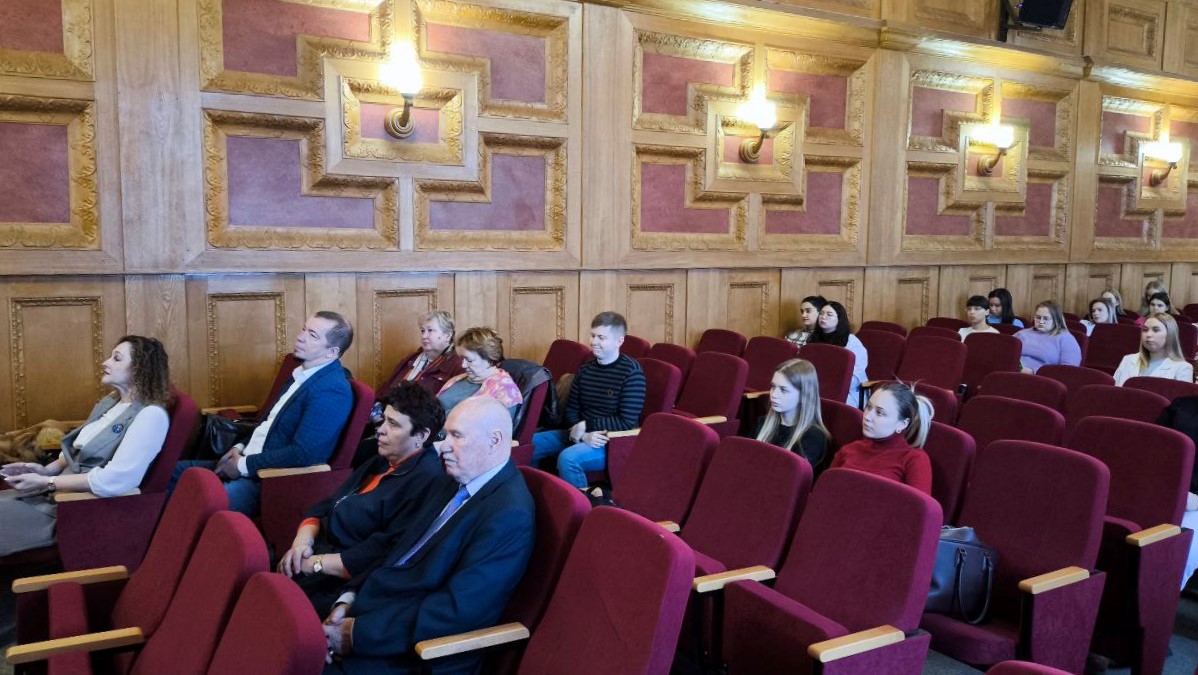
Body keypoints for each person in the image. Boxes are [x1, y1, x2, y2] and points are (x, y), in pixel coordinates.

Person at [321, 397, 534, 674]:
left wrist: (358, 634)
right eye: (446, 435)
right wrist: (349, 598)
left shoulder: (510, 514)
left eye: (457, 436)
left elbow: (457, 611)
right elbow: (397, 547)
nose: (442, 446)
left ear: (494, 441)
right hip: (376, 606)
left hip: (415, 651)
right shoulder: (453, 478)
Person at [278, 382, 447, 615]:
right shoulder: (383, 459)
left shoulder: (426, 480)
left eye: (393, 424)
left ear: (421, 435)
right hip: (314, 557)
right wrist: (302, 543)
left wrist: (314, 563)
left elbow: (379, 552)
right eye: (384, 419)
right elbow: (328, 504)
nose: (381, 430)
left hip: (342, 583)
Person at [0, 336, 171, 556]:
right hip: (53, 493)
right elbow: (79, 449)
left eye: (116, 358)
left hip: (76, 509)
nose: (105, 362)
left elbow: (115, 480)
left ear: (139, 369)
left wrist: (47, 481)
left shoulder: (151, 416)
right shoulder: (111, 402)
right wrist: (46, 470)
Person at [171, 311, 355, 515]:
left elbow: (303, 454)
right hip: (245, 459)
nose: (300, 337)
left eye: (312, 335)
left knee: (195, 505)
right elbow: (267, 424)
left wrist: (242, 465)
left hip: (268, 481)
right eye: (304, 329)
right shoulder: (301, 373)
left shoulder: (331, 390)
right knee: (168, 475)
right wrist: (238, 447)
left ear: (331, 352)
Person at [531, 312, 646, 490]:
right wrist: (582, 434)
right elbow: (571, 410)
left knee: (568, 459)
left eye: (601, 337)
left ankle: (581, 504)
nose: (593, 342)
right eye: (592, 335)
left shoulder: (631, 373)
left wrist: (586, 426)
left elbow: (626, 421)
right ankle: (535, 496)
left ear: (619, 341)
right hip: (580, 432)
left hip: (612, 441)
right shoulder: (585, 370)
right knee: (530, 444)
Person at [829, 381, 933, 495]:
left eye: (879, 413)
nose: (867, 416)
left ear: (902, 424)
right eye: (869, 407)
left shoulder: (914, 459)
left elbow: (917, 505)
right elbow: (825, 491)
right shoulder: (849, 449)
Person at [755, 359, 829, 473]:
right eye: (773, 387)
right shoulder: (762, 423)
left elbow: (790, 476)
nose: (774, 395)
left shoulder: (814, 437)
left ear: (803, 395)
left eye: (783, 390)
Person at [436, 327, 522, 419]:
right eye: (462, 359)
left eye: (469, 360)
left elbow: (496, 426)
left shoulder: (505, 393)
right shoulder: (460, 378)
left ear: (490, 359)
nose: (463, 365)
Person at [377, 311, 462, 397]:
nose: (424, 336)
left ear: (448, 335)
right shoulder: (411, 359)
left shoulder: (458, 364)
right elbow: (385, 389)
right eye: (422, 331)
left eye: (430, 330)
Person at [807, 301, 868, 407]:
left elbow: (857, 374)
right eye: (821, 313)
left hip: (847, 390)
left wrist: (831, 388)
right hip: (816, 387)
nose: (823, 317)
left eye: (829, 314)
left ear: (839, 319)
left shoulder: (851, 341)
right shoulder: (813, 338)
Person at [1114, 313, 1194, 386]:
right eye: (1145, 330)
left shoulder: (1183, 368)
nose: (1148, 335)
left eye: (1156, 330)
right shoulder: (1128, 360)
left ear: (1170, 334)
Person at [1015, 301, 1082, 374]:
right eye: (1038, 317)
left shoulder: (1066, 339)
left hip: (1042, 377)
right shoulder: (1022, 333)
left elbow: (1068, 370)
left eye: (1046, 318)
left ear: (1056, 319)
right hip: (1013, 371)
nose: (1041, 321)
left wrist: (1033, 371)